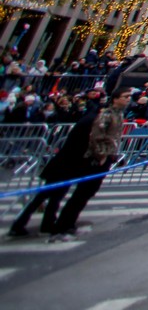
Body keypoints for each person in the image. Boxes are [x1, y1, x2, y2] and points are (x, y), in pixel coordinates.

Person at [8, 86, 130, 239]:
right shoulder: (101, 116)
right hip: (70, 160)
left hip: (71, 159)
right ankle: (37, 225)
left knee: (53, 195)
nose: (128, 99)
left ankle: (45, 225)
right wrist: (102, 156)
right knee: (51, 194)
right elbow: (96, 138)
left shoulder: (101, 115)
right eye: (125, 96)